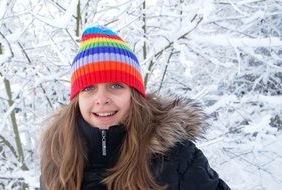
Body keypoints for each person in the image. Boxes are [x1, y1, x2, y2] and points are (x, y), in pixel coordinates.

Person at [40, 26, 230, 190]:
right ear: (77, 99)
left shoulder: (177, 157)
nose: (102, 99)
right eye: (89, 88)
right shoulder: (57, 159)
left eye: (115, 85)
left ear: (134, 95)